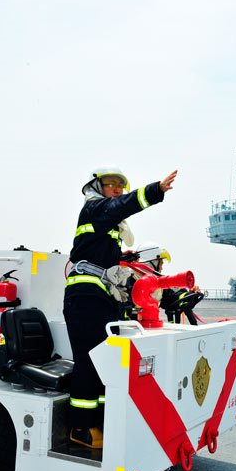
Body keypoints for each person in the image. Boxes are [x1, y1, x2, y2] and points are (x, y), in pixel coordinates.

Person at [64, 166, 177, 449]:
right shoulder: (94, 208)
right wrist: (156, 190)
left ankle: (101, 419)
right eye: (111, 183)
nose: (117, 189)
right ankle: (81, 426)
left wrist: (119, 253)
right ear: (96, 186)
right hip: (85, 296)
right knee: (89, 361)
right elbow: (120, 206)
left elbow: (100, 247)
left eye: (121, 185)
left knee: (104, 363)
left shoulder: (106, 227)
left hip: (100, 296)